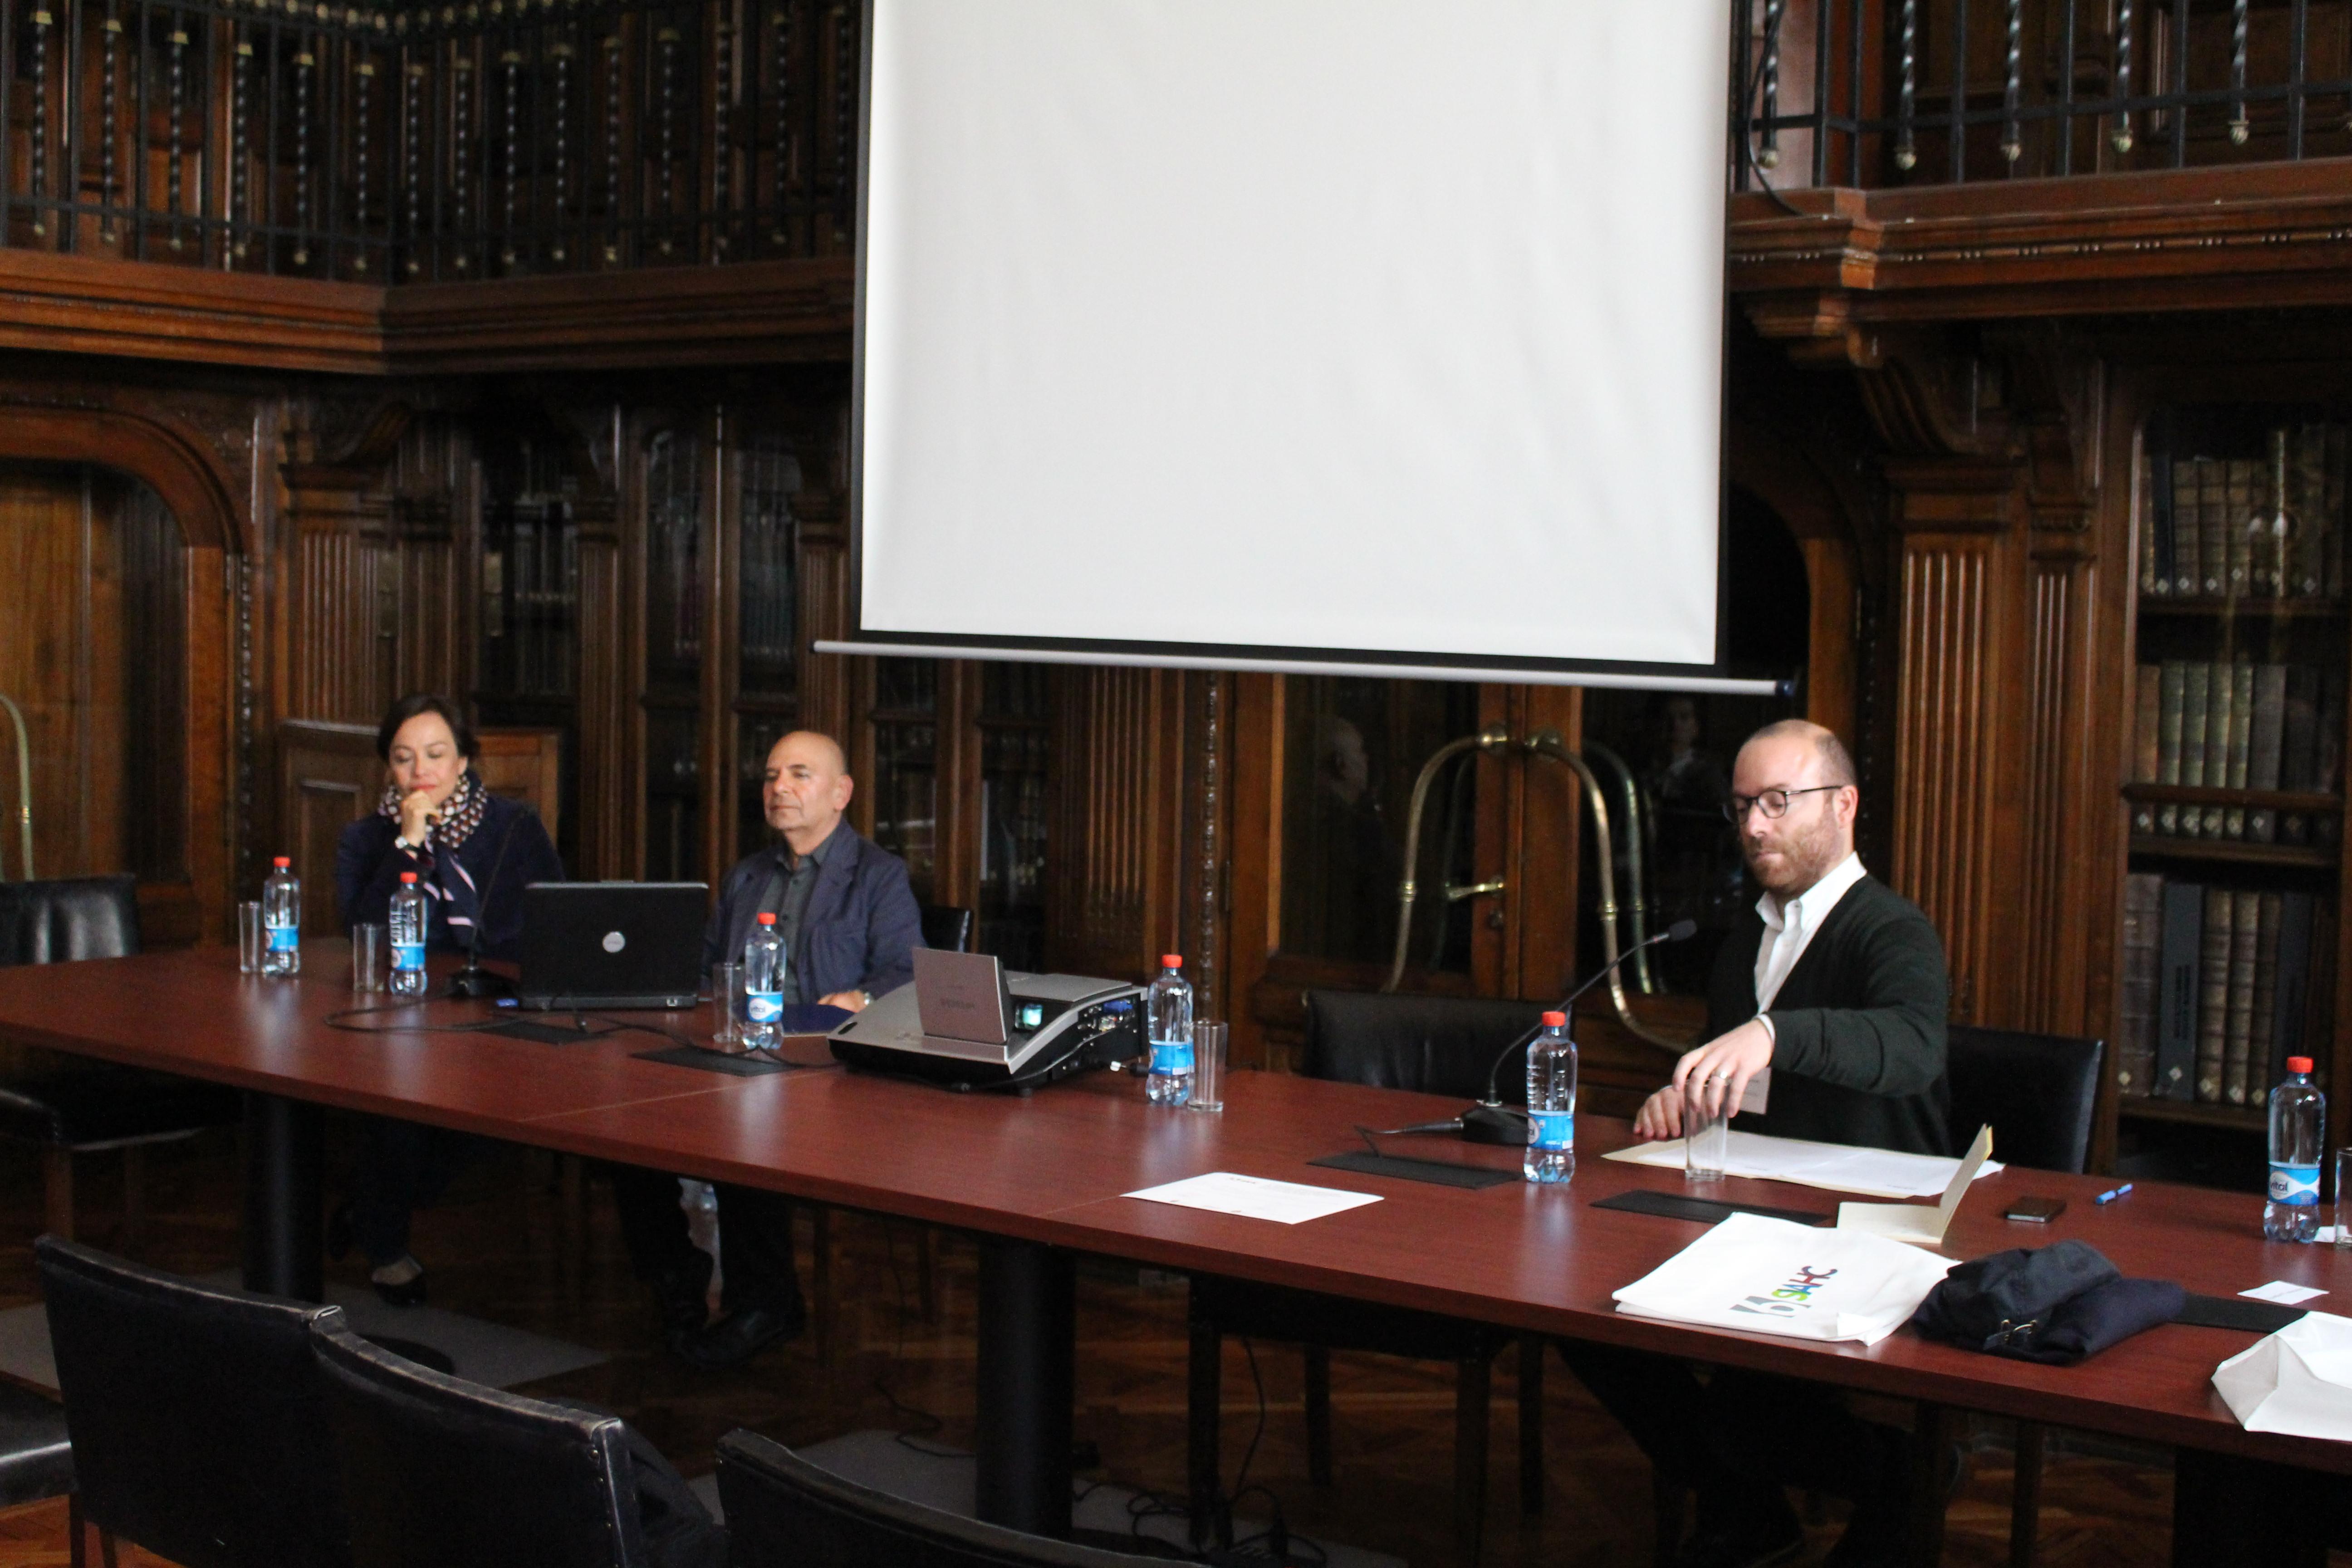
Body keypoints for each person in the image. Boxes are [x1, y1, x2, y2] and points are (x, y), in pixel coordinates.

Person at [1562, 718, 1951, 1568]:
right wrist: (1692, 1093)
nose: (1755, 826)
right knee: (1585, 1316)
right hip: (1753, 1201)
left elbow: (1910, 1047)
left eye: (1779, 801)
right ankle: (1748, 1511)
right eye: (1744, 806)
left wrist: (1773, 1034)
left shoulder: (1890, 930)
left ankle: (1901, 1480)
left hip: (1863, 1218)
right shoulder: (1748, 935)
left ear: (1844, 805)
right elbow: (1754, 1083)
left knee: (1745, 1406)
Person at [610, 730, 923, 1369]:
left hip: (823, 1068)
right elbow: (703, 972)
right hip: (737, 1053)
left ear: (841, 794)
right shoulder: (747, 875)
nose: (779, 787)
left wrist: (861, 1001)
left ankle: (765, 1305)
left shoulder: (878, 876)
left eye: (800, 775)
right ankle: (678, 1273)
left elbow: (909, 974)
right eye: (772, 775)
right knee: (623, 1132)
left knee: (749, 1137)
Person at [330, 693, 564, 1305]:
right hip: (401, 1007)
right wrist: (408, 845)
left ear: (463, 761)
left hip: (495, 1004)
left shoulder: (514, 825)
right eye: (404, 759)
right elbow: (364, 932)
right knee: (396, 1107)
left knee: (489, 1114)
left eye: (436, 755)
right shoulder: (365, 838)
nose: (421, 772)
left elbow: (558, 917)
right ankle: (386, 1247)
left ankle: (367, 1209)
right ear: (389, 769)